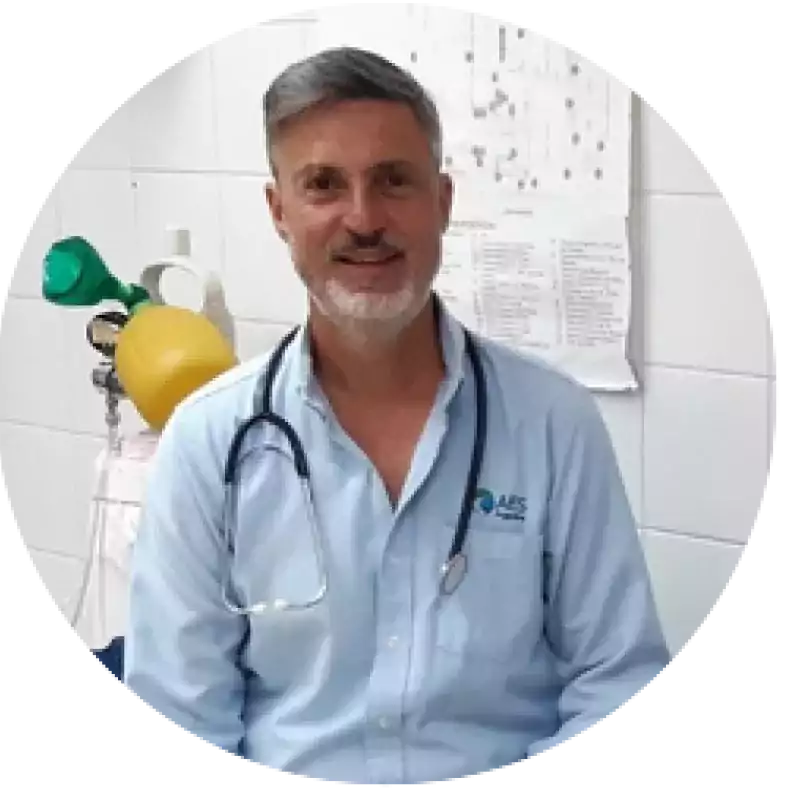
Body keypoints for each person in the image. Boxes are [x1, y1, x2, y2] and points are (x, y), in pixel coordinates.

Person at [123, 46, 671, 788]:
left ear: (441, 201)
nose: (363, 218)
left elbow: (618, 682)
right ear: (279, 211)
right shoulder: (207, 442)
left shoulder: (553, 424)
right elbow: (180, 713)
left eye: (393, 180)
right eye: (323, 184)